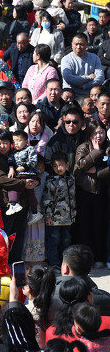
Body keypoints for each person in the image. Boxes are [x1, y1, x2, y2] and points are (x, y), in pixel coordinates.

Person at [73, 119, 110, 266]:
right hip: (85, 192)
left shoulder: (108, 147)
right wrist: (95, 152)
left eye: (101, 132)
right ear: (89, 134)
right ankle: (86, 259)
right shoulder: (84, 147)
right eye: (95, 133)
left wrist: (96, 171)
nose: (98, 136)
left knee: (100, 226)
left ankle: (100, 257)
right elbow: (81, 166)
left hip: (103, 192)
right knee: (85, 226)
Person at [41, 151, 75, 269]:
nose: (58, 168)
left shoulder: (71, 178)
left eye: (61, 165)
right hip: (54, 219)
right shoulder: (51, 180)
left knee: (66, 241)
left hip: (68, 218)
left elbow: (73, 198)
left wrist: (74, 214)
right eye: (55, 166)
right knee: (53, 241)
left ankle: (65, 263)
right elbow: (47, 199)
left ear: (67, 164)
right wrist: (48, 216)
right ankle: (54, 264)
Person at [61, 34, 104, 98]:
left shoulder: (94, 58)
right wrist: (88, 77)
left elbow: (100, 78)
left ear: (86, 45)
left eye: (81, 44)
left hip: (90, 94)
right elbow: (68, 78)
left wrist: (85, 86)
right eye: (76, 44)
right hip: (72, 94)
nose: (78, 47)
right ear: (72, 45)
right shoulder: (66, 59)